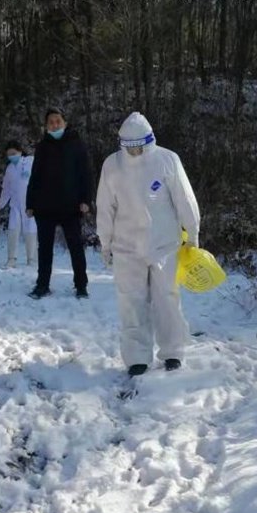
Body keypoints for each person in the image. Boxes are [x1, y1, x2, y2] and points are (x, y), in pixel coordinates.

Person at [96, 112, 201, 377]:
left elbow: (185, 199)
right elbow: (105, 207)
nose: (134, 153)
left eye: (138, 147)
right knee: (131, 302)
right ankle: (137, 357)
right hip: (126, 246)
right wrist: (105, 241)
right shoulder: (112, 165)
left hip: (164, 244)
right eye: (129, 147)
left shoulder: (167, 160)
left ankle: (173, 352)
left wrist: (193, 233)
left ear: (149, 141)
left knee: (167, 299)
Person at [26, 107, 93, 299]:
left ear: (65, 122)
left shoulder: (76, 144)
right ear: (46, 126)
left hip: (70, 206)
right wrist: (30, 203)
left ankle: (81, 285)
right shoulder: (42, 147)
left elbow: (86, 174)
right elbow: (35, 176)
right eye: (51, 122)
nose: (54, 125)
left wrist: (86, 200)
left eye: (58, 121)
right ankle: (42, 285)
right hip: (44, 207)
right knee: (44, 249)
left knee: (76, 247)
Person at [0, 140, 37, 268]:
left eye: (14, 153)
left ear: (20, 152)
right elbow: (6, 188)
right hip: (15, 204)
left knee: (30, 229)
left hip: (30, 204)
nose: (12, 156)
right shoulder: (9, 169)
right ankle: (11, 258)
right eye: (9, 155)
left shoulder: (30, 161)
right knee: (13, 229)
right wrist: (1, 203)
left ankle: (32, 259)